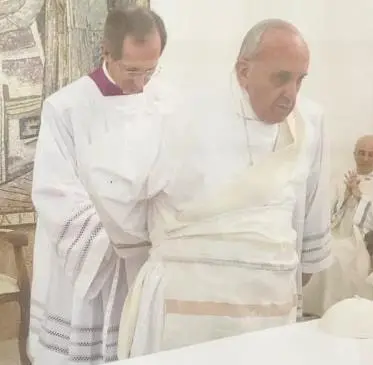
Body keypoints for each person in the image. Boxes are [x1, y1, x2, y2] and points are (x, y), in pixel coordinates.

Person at [86, 18, 332, 358]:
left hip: (268, 312)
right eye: (280, 78)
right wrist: (155, 246)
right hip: (187, 312)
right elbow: (113, 190)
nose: (291, 94)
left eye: (299, 80)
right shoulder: (179, 115)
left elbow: (311, 211)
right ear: (244, 71)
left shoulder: (308, 124)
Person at [28, 7, 168, 364]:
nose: (141, 82)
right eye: (132, 69)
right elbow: (54, 188)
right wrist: (109, 243)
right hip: (90, 260)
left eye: (150, 70)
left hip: (143, 257)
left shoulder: (163, 104)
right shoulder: (66, 108)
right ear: (107, 53)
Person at [304, 135, 373, 315]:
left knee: (338, 255)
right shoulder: (339, 178)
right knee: (319, 248)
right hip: (334, 231)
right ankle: (314, 309)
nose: (365, 159)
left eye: (371, 155)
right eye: (362, 153)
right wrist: (348, 196)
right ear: (354, 154)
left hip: (360, 238)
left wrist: (358, 197)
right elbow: (326, 213)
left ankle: (335, 310)